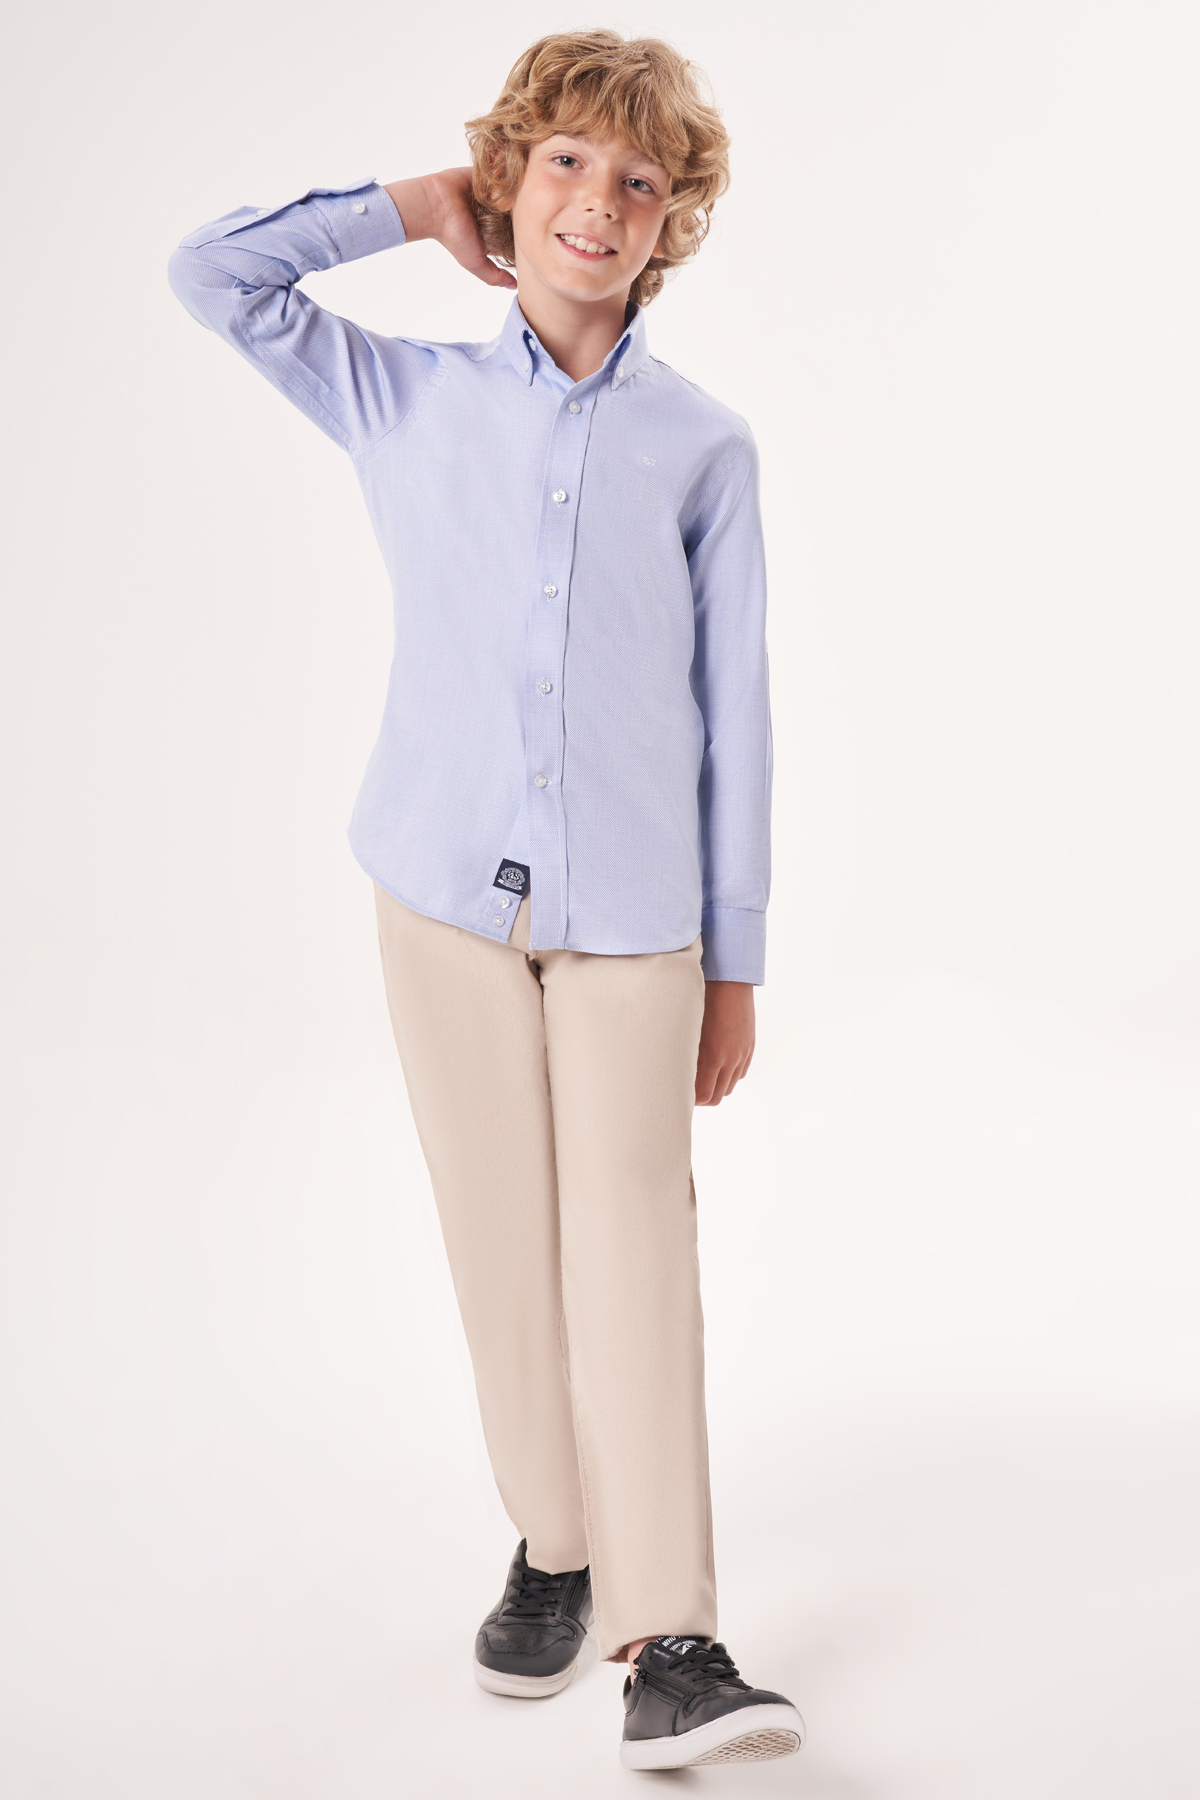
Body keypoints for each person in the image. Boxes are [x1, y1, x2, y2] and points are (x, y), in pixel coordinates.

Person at [168, 28, 802, 1772]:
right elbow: (211, 276)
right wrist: (413, 203)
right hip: (440, 900)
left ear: (671, 224)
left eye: (638, 181)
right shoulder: (403, 396)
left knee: (636, 1252)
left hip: (635, 926)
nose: (599, 202)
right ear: (510, 182)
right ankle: (556, 1544)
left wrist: (735, 962)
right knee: (500, 1251)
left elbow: (736, 717)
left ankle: (673, 1640)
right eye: (565, 163)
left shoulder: (705, 450)